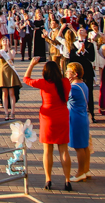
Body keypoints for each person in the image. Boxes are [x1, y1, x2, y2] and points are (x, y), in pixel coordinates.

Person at [22, 57, 72, 191]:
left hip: (47, 117)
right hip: (62, 116)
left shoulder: (43, 83)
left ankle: (48, 179)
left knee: (47, 150)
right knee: (64, 150)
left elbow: (26, 79)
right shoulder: (65, 82)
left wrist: (32, 64)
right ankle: (67, 180)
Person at [65, 62, 91, 182]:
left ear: (75, 74)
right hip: (83, 116)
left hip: (75, 118)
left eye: (68, 71)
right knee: (85, 145)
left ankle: (80, 172)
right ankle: (86, 169)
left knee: (79, 147)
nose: (66, 73)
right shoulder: (83, 85)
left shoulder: (73, 88)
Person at [67, 26, 96, 122]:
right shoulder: (73, 44)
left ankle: (92, 113)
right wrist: (78, 52)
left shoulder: (90, 45)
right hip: (76, 72)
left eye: (82, 30)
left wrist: (84, 51)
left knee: (89, 92)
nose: (80, 31)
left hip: (87, 71)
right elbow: (72, 58)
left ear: (86, 34)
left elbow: (92, 58)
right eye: (79, 30)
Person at [0, 37, 21, 120]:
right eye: (3, 40)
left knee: (11, 93)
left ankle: (12, 112)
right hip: (2, 73)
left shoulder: (12, 51)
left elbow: (11, 57)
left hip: (10, 73)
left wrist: (8, 48)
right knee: (4, 93)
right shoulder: (0, 51)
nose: (5, 41)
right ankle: (6, 112)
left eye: (6, 40)